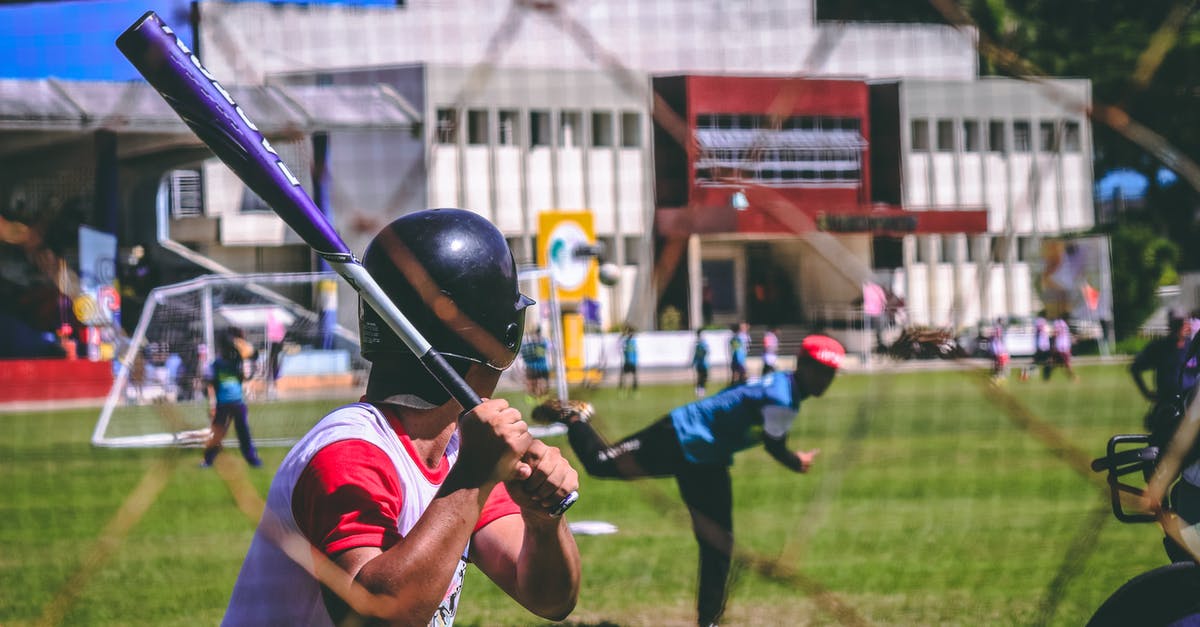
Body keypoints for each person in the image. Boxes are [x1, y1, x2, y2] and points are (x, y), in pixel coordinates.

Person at [223, 209, 580, 625]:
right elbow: (377, 618)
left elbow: (550, 600)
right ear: (505, 337)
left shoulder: (457, 451)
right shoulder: (350, 454)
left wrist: (542, 521)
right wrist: (472, 480)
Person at [539, 334, 845, 626]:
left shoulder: (781, 385)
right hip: (680, 435)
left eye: (829, 374)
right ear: (802, 365)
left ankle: (709, 621)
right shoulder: (783, 397)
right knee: (600, 462)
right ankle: (575, 416)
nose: (824, 380)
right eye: (819, 371)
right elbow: (774, 444)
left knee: (719, 544)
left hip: (707, 457)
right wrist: (797, 461)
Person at [201, 326, 263, 468]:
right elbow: (210, 385)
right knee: (217, 433)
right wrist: (212, 404)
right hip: (222, 404)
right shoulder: (216, 365)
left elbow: (254, 355)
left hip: (238, 403)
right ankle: (208, 460)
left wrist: (241, 344)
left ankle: (252, 459)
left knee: (244, 433)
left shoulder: (239, 362)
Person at [520, 325, 551, 400]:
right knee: (535, 384)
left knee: (538, 383)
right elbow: (540, 354)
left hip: (536, 368)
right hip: (538, 368)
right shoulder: (541, 343)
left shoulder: (540, 343)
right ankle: (535, 396)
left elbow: (539, 354)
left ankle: (538, 396)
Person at [1021, 315, 1051, 381]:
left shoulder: (1042, 332)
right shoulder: (1039, 333)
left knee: (1046, 363)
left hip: (1044, 350)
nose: (1040, 327)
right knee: (1037, 363)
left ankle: (1045, 377)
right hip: (1041, 350)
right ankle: (1025, 374)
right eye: (1039, 326)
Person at [1047, 317, 1078, 381]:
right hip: (1064, 347)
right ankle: (1073, 377)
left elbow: (1055, 334)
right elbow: (1057, 334)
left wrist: (1053, 345)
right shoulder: (1063, 324)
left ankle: (1047, 375)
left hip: (1060, 346)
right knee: (1066, 364)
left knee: (1058, 363)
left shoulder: (1057, 323)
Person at [619, 325, 639, 392]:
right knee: (631, 374)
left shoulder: (629, 341)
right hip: (631, 361)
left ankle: (627, 386)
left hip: (630, 361)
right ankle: (632, 386)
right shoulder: (631, 341)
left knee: (628, 374)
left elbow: (625, 350)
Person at [729, 321, 749, 386]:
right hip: (738, 359)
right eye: (742, 327)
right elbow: (736, 349)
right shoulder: (738, 337)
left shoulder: (744, 336)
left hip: (740, 358)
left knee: (738, 376)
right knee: (741, 376)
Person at [692, 329, 710, 399]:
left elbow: (695, 355)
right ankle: (701, 390)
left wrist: (693, 363)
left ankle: (699, 390)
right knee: (703, 377)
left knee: (701, 377)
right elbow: (705, 351)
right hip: (703, 363)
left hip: (699, 363)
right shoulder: (702, 343)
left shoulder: (697, 343)